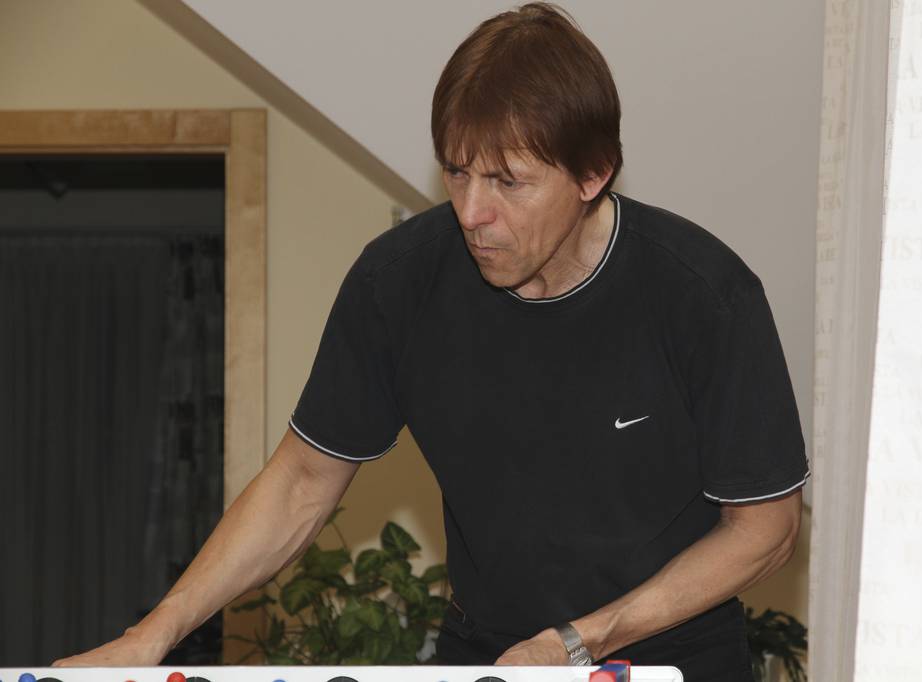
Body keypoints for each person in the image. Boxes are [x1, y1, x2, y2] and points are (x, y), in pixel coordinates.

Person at [55, 3, 809, 680]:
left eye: (508, 182)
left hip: (670, 656)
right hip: (488, 655)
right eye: (456, 172)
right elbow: (301, 482)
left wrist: (579, 642)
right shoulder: (398, 284)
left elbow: (767, 530)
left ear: (593, 174)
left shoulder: (703, 295)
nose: (472, 212)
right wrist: (153, 634)